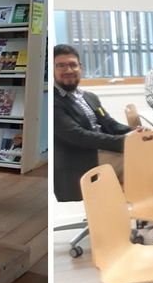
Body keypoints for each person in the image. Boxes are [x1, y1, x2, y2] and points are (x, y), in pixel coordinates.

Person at [54, 44, 140, 201]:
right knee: (144, 160)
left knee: (149, 151)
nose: (68, 70)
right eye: (61, 66)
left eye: (73, 65)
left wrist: (135, 131)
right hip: (80, 161)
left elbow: (110, 124)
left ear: (80, 67)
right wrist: (127, 141)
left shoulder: (89, 97)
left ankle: (129, 209)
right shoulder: (55, 102)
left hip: (101, 151)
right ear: (53, 70)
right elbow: (79, 136)